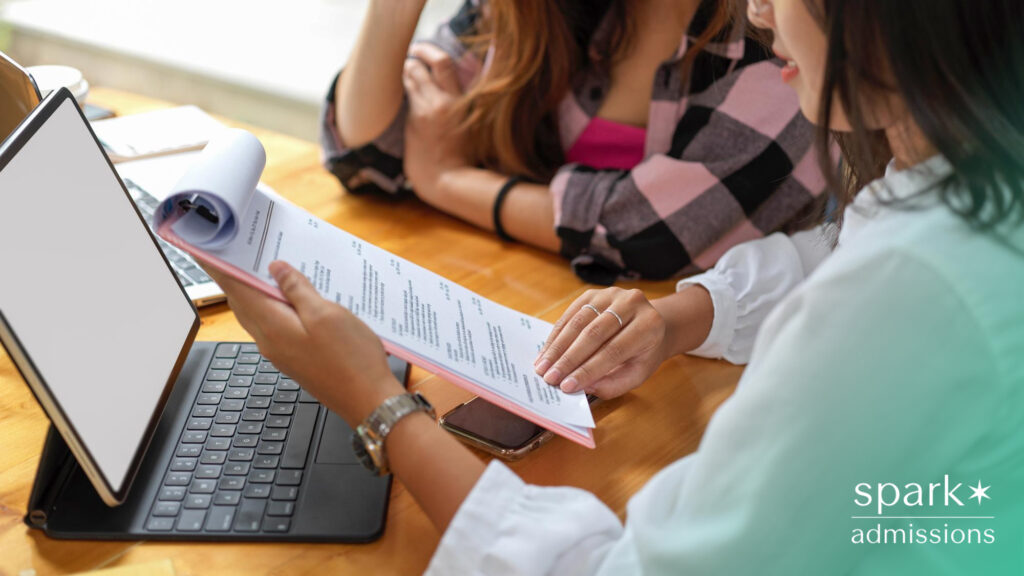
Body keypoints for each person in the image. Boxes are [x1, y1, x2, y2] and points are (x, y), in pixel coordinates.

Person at [209, 0, 1024, 572]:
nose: (763, 12)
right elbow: (842, 244)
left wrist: (380, 408)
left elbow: (615, 570)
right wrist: (681, 317)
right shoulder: (964, 186)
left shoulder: (905, 296)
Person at [321, 0, 825, 284]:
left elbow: (649, 235)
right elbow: (371, 152)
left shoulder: (780, 34)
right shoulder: (538, 10)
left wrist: (448, 181)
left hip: (698, 383)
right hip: (540, 319)